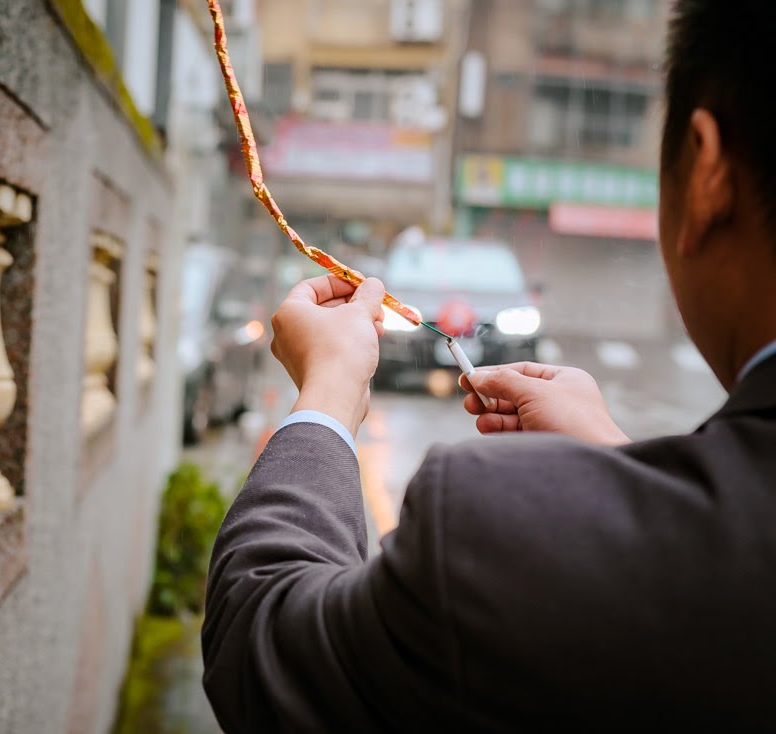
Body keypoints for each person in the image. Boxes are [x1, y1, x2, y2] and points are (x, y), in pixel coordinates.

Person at [201, 1, 776, 731]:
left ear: (707, 173)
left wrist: (327, 395)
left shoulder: (489, 532)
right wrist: (614, 462)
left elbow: (261, 647)